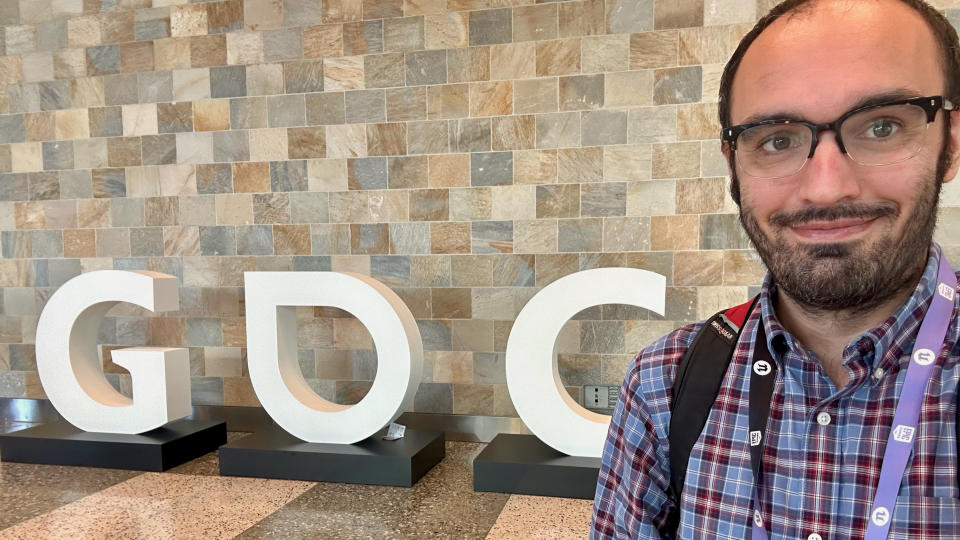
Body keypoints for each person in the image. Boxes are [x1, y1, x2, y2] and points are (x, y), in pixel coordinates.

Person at [591, 0, 960, 538]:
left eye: (882, 127)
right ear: (733, 166)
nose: (826, 187)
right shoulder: (663, 385)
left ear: (950, 142)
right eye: (778, 140)